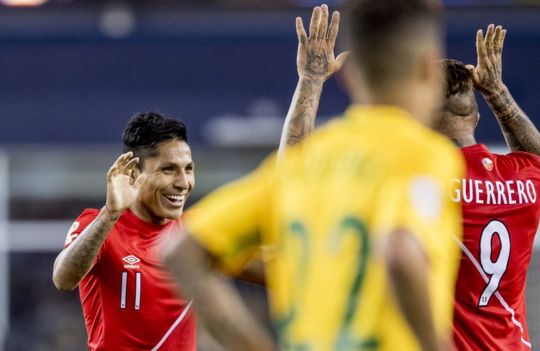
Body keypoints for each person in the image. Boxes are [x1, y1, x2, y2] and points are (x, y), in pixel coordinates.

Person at [164, 2, 463, 351]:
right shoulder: (424, 155)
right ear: (429, 68)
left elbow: (179, 250)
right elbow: (400, 251)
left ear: (350, 75)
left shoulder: (304, 162)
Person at [438, 25, 540, 350]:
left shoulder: (424, 180)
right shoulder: (525, 178)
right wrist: (496, 92)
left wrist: (311, 81)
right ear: (476, 115)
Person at [52, 112, 197, 350]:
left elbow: (271, 264)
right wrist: (110, 214)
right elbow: (63, 279)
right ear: (133, 173)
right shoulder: (99, 225)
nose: (183, 183)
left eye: (188, 169)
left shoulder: (195, 232)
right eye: (169, 169)